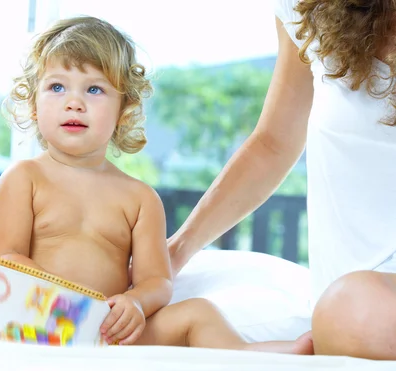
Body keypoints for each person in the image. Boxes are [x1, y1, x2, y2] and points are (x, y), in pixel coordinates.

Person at [0, 15, 312, 353]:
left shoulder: (139, 198)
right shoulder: (25, 178)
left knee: (197, 313)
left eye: (94, 89)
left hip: (101, 330)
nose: (74, 103)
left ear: (123, 110)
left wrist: (134, 305)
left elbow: (157, 279)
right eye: (57, 87)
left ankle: (256, 354)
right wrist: (60, 298)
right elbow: (5, 258)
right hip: (18, 318)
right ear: (33, 100)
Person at [167, 0, 396, 360]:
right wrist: (174, 252)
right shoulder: (309, 9)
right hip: (348, 309)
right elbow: (273, 144)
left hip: (360, 312)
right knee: (353, 309)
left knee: (355, 310)